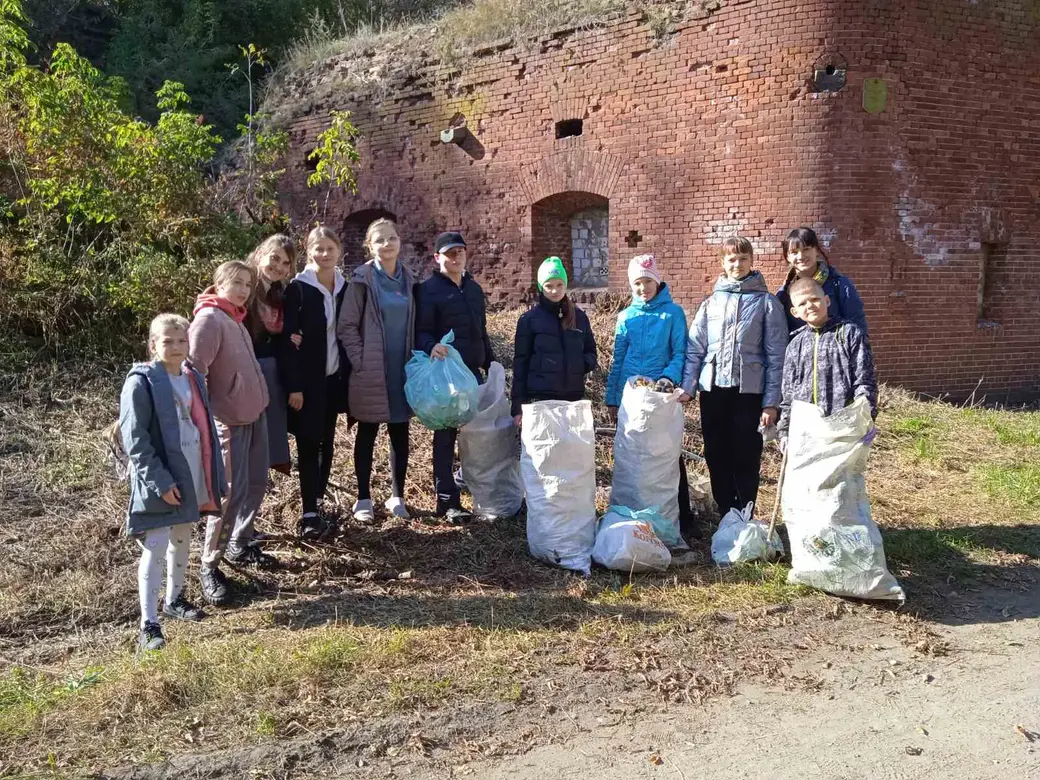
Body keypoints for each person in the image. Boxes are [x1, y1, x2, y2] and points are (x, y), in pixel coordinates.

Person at [119, 314, 225, 650]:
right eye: (168, 341)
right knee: (155, 545)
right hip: (159, 477)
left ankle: (175, 599)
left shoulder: (192, 376)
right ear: (153, 344)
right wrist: (161, 483)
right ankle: (149, 624)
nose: (176, 347)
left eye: (181, 340)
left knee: (182, 536)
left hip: (191, 469)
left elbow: (203, 428)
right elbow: (136, 440)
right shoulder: (142, 381)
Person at [679, 237, 787, 519]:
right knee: (715, 452)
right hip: (713, 389)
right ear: (722, 263)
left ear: (751, 261)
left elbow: (776, 356)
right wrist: (688, 387)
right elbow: (695, 349)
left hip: (749, 392)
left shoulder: (767, 304)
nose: (737, 264)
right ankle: (725, 513)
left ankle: (744, 513)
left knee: (746, 454)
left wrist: (771, 402)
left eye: (742, 259)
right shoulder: (710, 304)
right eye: (731, 259)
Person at [188, 260, 271, 606]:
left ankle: (240, 542)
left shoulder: (234, 317)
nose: (243, 290)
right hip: (229, 421)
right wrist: (207, 420)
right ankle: (209, 565)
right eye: (236, 283)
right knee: (229, 494)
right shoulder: (208, 319)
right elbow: (194, 373)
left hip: (254, 414)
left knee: (256, 482)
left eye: (248, 285)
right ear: (219, 283)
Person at [604, 254, 695, 535]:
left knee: (666, 454)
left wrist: (668, 378)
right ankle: (632, 510)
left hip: (661, 395)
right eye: (637, 283)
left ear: (657, 281)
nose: (643, 288)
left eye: (647, 282)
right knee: (632, 452)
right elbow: (618, 359)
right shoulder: (626, 317)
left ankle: (681, 517)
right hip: (632, 397)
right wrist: (612, 398)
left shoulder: (672, 314)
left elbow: (680, 352)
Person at [337, 218, 416, 524]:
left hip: (402, 368)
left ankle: (397, 496)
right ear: (369, 246)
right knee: (367, 431)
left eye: (392, 238)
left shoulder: (410, 279)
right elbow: (346, 326)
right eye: (380, 240)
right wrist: (360, 361)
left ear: (400, 241)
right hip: (371, 369)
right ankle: (363, 499)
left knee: (400, 431)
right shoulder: (362, 280)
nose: (387, 244)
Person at [414, 231, 495, 522]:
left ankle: (480, 489)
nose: (456, 257)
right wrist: (430, 346)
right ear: (437, 257)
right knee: (446, 435)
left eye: (460, 251)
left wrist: (491, 362)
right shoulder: (428, 290)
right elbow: (420, 331)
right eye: (449, 253)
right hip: (447, 375)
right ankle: (447, 500)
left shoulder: (473, 289)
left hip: (473, 373)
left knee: (478, 434)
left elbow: (481, 330)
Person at [281, 226, 348, 538]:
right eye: (318, 248)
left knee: (328, 441)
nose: (324, 254)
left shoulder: (345, 287)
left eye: (329, 248)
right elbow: (288, 340)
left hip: (334, 378)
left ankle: (318, 500)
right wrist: (294, 386)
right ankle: (309, 512)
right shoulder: (298, 288)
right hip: (307, 382)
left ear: (339, 251)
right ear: (308, 251)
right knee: (308, 442)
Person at [777, 276, 878, 443]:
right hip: (806, 432)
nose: (810, 305)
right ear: (795, 312)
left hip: (844, 428)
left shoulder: (850, 334)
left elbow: (864, 381)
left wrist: (865, 418)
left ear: (827, 301)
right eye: (802, 304)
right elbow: (788, 394)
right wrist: (785, 431)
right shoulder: (795, 345)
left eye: (814, 299)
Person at [511, 256, 597, 422]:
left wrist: (581, 364)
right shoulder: (529, 320)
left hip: (573, 399)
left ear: (565, 284)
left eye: (559, 285)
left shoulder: (579, 317)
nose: (554, 291)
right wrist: (518, 407)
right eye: (549, 286)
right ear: (541, 287)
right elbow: (521, 364)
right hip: (541, 400)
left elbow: (591, 350)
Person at [245, 234, 295, 476]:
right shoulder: (243, 285)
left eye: (286, 263)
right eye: (274, 258)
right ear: (259, 254)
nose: (279, 267)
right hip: (244, 374)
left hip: (270, 375)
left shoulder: (279, 293)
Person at [775, 226, 868, 337]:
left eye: (806, 249)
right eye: (794, 252)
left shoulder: (840, 285)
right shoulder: (783, 295)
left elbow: (857, 328)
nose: (801, 256)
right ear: (787, 257)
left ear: (816, 250)